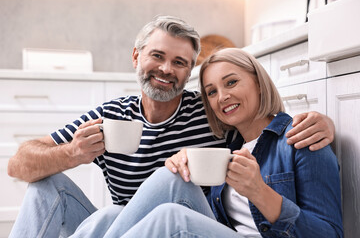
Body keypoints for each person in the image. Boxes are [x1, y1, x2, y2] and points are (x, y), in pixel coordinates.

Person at [7, 16, 335, 237]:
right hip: (128, 226)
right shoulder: (111, 114)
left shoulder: (214, 118)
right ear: (136, 57)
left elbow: (265, 124)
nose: (166, 68)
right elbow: (18, 163)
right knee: (49, 188)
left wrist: (324, 120)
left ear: (188, 72)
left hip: (180, 223)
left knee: (167, 183)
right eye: (157, 56)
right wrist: (73, 153)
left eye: (179, 62)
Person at [96, 48, 343, 238]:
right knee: (114, 212)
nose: (222, 97)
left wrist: (259, 192)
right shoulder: (230, 145)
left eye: (231, 82)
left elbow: (330, 234)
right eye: (212, 92)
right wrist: (180, 163)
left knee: (171, 217)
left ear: (258, 82)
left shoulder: (302, 138)